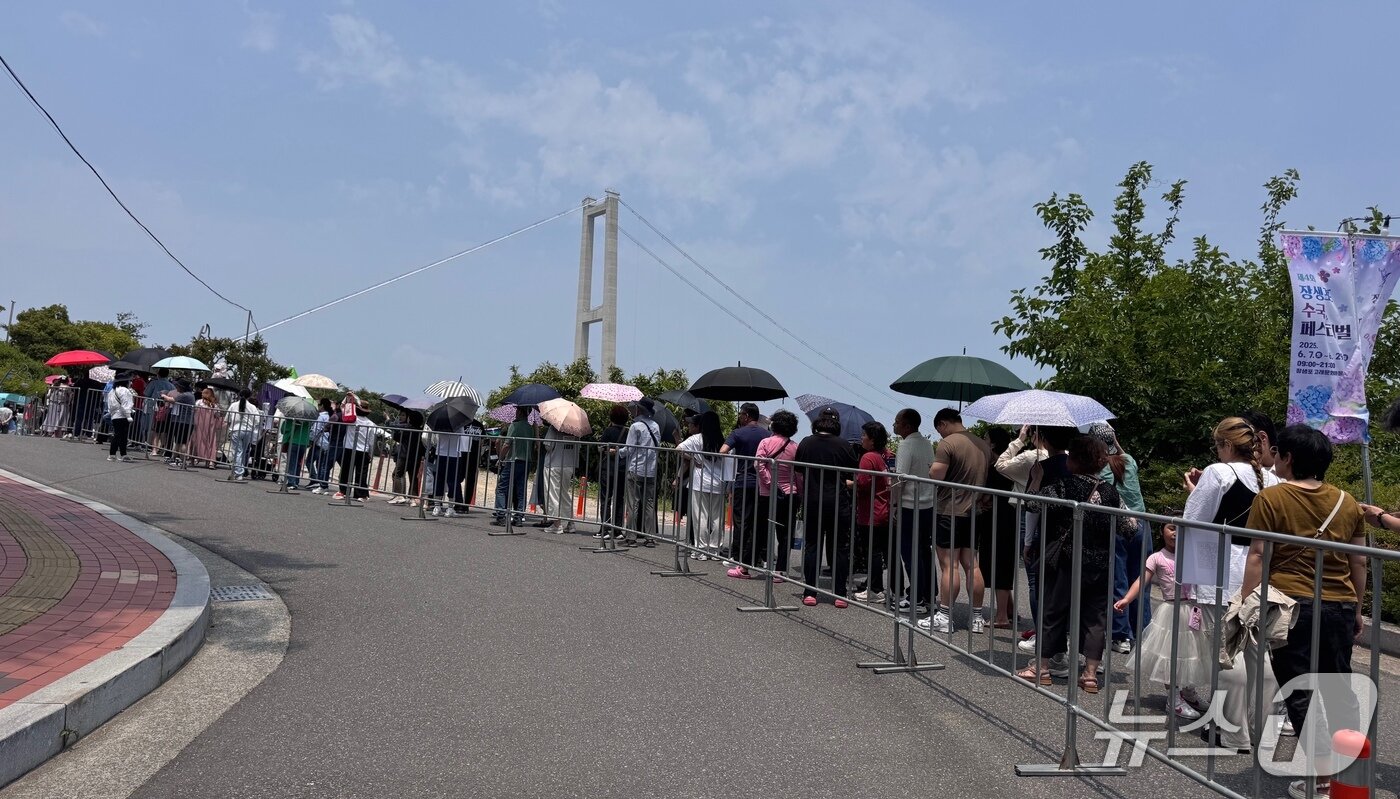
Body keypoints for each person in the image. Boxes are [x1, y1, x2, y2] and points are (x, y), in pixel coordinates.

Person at [1242, 425, 1367, 799]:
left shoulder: (1271, 499)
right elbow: (1358, 560)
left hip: (1291, 605)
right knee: (1338, 687)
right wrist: (1357, 607)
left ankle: (1323, 777)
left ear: (1289, 458)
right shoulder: (1348, 501)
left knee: (1299, 690)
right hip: (1340, 604)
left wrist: (1247, 603)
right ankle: (1348, 775)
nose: (1274, 458)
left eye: (1277, 452)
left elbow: (1258, 555)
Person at [1180, 416, 1281, 754]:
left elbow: (1194, 519)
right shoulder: (1272, 478)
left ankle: (1232, 732)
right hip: (1261, 573)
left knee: (1227, 655)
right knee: (1260, 656)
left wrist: (1193, 492)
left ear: (1225, 445)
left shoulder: (1218, 473)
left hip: (1221, 573)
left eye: (1217, 445)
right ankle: (1262, 730)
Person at [1016, 435, 1137, 694]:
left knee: (1053, 611)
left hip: (1064, 560)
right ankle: (1090, 675)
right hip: (1100, 563)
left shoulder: (1063, 486)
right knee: (1096, 619)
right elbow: (1130, 526)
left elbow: (1034, 504)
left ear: (1073, 460)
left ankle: (1043, 668)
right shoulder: (1109, 491)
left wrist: (1036, 480)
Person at [1113, 518, 1207, 720]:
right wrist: (1127, 599)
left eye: (1182, 530)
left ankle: (1188, 691)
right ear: (1162, 530)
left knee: (1192, 653)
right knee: (1171, 656)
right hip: (1171, 610)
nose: (1176, 533)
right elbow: (1142, 579)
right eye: (1172, 528)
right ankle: (1173, 697)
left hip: (1193, 610)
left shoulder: (1191, 555)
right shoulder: (1156, 558)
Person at [922, 408, 991, 634]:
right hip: (974, 511)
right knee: (972, 565)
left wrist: (929, 470)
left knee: (948, 565)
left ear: (942, 424)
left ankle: (944, 616)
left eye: (939, 430)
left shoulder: (948, 443)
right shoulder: (982, 444)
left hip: (949, 510)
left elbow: (937, 474)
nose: (940, 435)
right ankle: (978, 617)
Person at [1087, 422, 1153, 654]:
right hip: (1142, 524)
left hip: (1116, 526)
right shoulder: (1130, 461)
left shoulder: (1097, 466)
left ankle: (1121, 635)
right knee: (1141, 580)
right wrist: (1115, 439)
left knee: (1119, 580)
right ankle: (1143, 632)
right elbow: (1121, 453)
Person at [795, 409, 858, 606]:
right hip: (838, 502)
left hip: (813, 500)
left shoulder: (806, 442)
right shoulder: (844, 445)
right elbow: (853, 472)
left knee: (812, 545)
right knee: (840, 547)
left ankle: (810, 592)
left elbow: (798, 468)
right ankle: (840, 594)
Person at [891, 408, 937, 616]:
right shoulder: (927, 443)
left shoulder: (906, 444)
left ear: (907, 425)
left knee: (910, 552)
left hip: (910, 504)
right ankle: (929, 596)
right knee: (924, 551)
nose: (894, 425)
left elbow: (901, 477)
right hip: (928, 504)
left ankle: (915, 598)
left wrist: (894, 505)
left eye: (897, 422)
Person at [720, 403, 769, 572]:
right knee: (758, 521)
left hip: (742, 480)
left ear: (747, 416)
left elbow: (723, 451)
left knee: (741, 521)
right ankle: (755, 557)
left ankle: (737, 555)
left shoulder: (738, 433)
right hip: (762, 484)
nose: (739, 417)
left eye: (741, 414)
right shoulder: (767, 435)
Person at [979, 427, 1019, 628]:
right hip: (1004, 516)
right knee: (1000, 562)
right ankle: (1009, 609)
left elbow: (986, 495)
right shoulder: (1006, 465)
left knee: (999, 564)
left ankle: (1001, 615)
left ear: (993, 443)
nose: (983, 441)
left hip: (998, 518)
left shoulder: (998, 467)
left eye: (985, 438)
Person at [849, 421, 892, 604]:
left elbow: (863, 483)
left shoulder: (868, 458)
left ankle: (875, 589)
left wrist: (849, 483)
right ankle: (879, 587)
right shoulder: (886, 455)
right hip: (884, 508)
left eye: (864, 435)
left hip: (871, 511)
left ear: (872, 439)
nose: (862, 438)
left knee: (872, 552)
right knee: (881, 551)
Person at [756, 410, 802, 576]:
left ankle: (753, 563)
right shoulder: (795, 447)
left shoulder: (765, 442)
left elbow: (759, 465)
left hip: (768, 494)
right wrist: (800, 494)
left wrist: (770, 483)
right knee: (785, 534)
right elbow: (798, 473)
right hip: (790, 494)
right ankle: (781, 570)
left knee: (762, 529)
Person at [676, 411, 725, 556]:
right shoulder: (722, 440)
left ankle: (701, 549)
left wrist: (693, 458)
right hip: (719, 483)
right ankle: (716, 549)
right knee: (717, 518)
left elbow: (678, 449)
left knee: (701, 516)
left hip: (700, 481)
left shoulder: (697, 438)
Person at [620, 399, 662, 547]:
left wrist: (617, 452)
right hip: (650, 469)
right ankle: (650, 537)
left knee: (633, 503)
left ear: (639, 409)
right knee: (649, 503)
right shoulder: (655, 426)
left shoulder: (635, 426)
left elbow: (628, 449)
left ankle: (631, 536)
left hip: (635, 468)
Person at [492, 406, 532, 527]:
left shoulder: (514, 426)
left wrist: (500, 458)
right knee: (521, 490)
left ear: (520, 412)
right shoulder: (530, 428)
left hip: (512, 460)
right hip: (526, 461)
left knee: (502, 488)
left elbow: (506, 444)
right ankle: (519, 517)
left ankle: (501, 515)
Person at [595, 405, 630, 540]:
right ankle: (618, 529)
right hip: (622, 468)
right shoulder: (628, 432)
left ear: (612, 417)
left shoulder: (608, 431)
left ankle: (605, 528)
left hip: (608, 468)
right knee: (620, 499)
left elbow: (600, 448)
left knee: (606, 498)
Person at [541, 420, 579, 533]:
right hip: (569, 464)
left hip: (554, 463)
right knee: (564, 494)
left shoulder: (554, 427)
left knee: (553, 494)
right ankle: (571, 523)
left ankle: (557, 524)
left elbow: (548, 446)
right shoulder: (575, 429)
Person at [225, 389, 263, 481]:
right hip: (248, 430)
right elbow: (257, 420)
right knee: (243, 451)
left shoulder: (234, 405)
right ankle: (238, 471)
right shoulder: (252, 407)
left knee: (237, 451)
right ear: (249, 396)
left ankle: (238, 472)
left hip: (236, 429)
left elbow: (227, 418)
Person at [432, 424, 466, 517]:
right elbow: (462, 436)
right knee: (452, 481)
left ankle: (437, 506)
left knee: (439, 479)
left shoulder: (440, 421)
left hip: (440, 452)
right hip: (454, 453)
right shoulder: (459, 422)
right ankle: (450, 507)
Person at [162, 380, 197, 465]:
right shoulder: (187, 395)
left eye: (177, 386)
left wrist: (163, 395)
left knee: (183, 442)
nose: (176, 388)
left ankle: (182, 460)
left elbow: (172, 400)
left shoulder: (186, 395)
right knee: (177, 441)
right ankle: (175, 458)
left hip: (184, 421)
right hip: (181, 420)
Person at [189, 386, 223, 468]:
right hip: (210, 427)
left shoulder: (199, 402)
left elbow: (194, 410)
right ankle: (210, 462)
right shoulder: (214, 405)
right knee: (211, 443)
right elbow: (217, 415)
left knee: (196, 442)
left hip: (199, 425)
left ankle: (192, 460)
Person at [141, 369, 175, 452]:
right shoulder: (171, 385)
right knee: (163, 429)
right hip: (166, 409)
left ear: (158, 374)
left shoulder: (153, 383)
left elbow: (146, 393)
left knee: (151, 427)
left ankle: (149, 444)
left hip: (152, 407)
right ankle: (161, 446)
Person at [105, 377, 136, 462]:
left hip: (114, 415)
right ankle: (121, 454)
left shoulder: (112, 391)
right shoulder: (125, 390)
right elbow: (126, 404)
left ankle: (114, 454)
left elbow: (110, 405)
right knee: (122, 435)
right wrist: (128, 415)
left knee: (118, 434)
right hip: (123, 415)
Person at [309, 398, 335, 494]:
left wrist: (311, 439)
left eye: (319, 405)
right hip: (325, 442)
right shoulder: (330, 415)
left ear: (322, 406)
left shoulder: (321, 416)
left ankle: (317, 481)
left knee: (311, 462)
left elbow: (316, 429)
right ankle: (319, 481)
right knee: (321, 463)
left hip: (319, 441)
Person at [281, 412, 312, 489]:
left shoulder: (291, 418)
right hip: (304, 442)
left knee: (292, 463)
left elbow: (283, 430)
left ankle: (291, 482)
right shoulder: (308, 420)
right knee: (298, 463)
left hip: (294, 441)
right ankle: (296, 481)